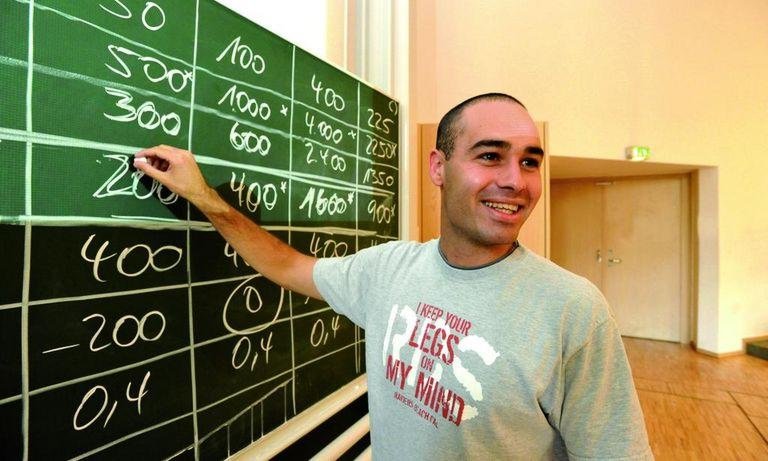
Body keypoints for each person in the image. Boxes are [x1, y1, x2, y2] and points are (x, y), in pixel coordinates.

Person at [135, 93, 653, 460]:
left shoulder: (572, 309)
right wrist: (205, 198)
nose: (515, 181)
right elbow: (288, 265)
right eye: (490, 155)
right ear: (438, 167)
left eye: (530, 161)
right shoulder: (387, 270)